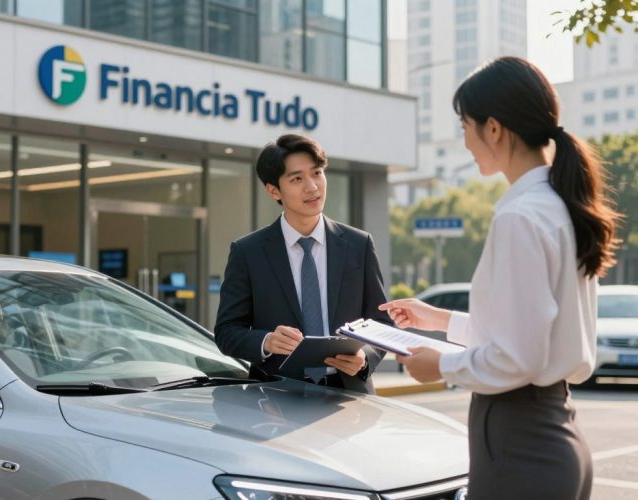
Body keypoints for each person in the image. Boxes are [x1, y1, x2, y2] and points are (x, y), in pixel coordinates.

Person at [379, 56, 621, 500]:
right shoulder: (561, 205)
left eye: (465, 125)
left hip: (519, 442)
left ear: (493, 128)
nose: (466, 141)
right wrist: (439, 320)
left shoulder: (520, 217)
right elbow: (529, 336)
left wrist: (440, 364)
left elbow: (518, 357)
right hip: (551, 432)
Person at [214, 133, 391, 393]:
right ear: (274, 190)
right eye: (297, 179)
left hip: (350, 397)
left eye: (317, 173)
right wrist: (267, 341)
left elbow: (381, 322)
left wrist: (365, 357)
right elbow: (227, 332)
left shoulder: (358, 244)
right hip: (275, 399)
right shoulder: (247, 252)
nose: (312, 187)